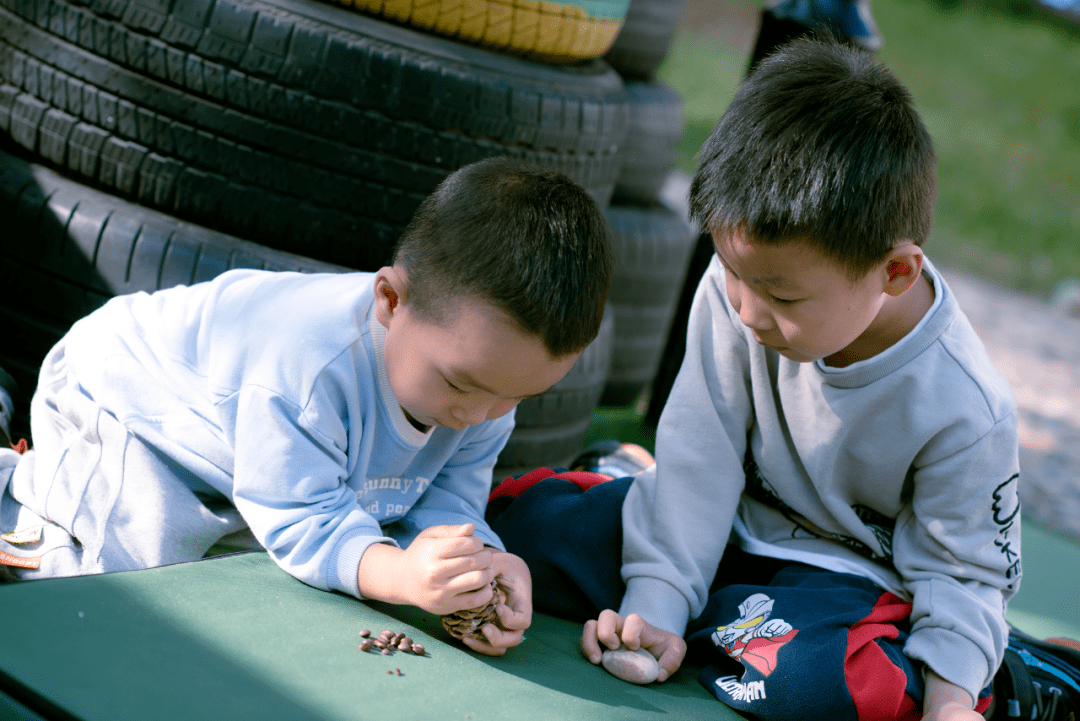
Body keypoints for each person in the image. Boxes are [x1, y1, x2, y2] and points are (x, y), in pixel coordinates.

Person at [486, 37, 1079, 719]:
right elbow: (700, 453)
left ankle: (1019, 675)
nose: (745, 308)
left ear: (894, 273)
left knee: (834, 686)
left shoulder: (965, 406)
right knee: (518, 525)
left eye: (781, 297)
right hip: (722, 522)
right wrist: (656, 602)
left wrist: (950, 699)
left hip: (843, 586)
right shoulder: (742, 285)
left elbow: (964, 571)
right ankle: (689, 576)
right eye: (732, 273)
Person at [0, 156, 615, 657]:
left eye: (515, 398)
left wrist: (475, 565)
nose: (482, 415)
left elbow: (445, 499)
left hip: (247, 450)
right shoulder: (305, 361)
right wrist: (402, 576)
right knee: (122, 595)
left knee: (250, 576)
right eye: (460, 386)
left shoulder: (482, 382)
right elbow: (303, 520)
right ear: (390, 301)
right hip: (128, 402)